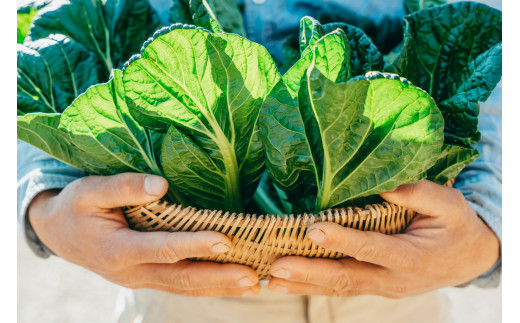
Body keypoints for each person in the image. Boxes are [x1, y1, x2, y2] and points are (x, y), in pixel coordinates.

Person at [18, 0, 502, 322]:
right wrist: (46, 201)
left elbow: (497, 39)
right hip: (184, 290)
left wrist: (488, 229)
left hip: (395, 287)